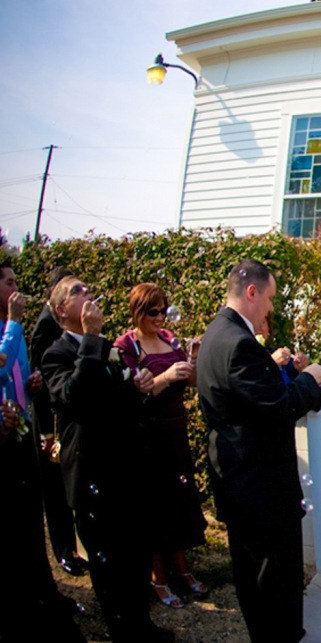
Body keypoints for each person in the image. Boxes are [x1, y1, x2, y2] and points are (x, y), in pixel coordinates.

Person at [196, 259, 321, 643]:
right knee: (272, 574)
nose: (270, 307)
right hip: (259, 485)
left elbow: (247, 396)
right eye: (268, 298)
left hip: (242, 480)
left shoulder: (218, 333)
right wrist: (310, 378)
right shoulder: (237, 343)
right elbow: (279, 405)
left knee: (255, 571)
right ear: (251, 292)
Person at [42, 275, 173, 643]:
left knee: (134, 555)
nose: (88, 293)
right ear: (60, 310)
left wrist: (138, 388)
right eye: (77, 291)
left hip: (124, 466)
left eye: (88, 287)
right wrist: (93, 340)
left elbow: (115, 400)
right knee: (108, 564)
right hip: (91, 473)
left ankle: (142, 626)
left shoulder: (103, 347)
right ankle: (124, 633)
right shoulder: (57, 354)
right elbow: (76, 398)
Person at [1, 264, 85, 643]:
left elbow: (20, 372)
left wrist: (33, 384)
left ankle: (43, 589)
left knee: (30, 512)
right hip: (12, 432)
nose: (17, 289)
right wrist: (13, 323)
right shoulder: (20, 325)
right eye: (9, 283)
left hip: (18, 427)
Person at [113, 283, 207, 609]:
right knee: (154, 507)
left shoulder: (169, 339)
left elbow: (191, 383)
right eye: (152, 311)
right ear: (137, 312)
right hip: (146, 436)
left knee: (179, 502)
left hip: (175, 431)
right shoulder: (126, 346)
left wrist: (192, 362)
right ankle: (158, 578)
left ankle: (181, 569)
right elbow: (129, 396)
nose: (159, 316)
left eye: (163, 309)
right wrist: (166, 377)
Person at [29, 265, 88, 578]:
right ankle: (64, 551)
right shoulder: (46, 327)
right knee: (55, 490)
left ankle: (79, 547)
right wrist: (48, 433)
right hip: (52, 418)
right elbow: (41, 383)